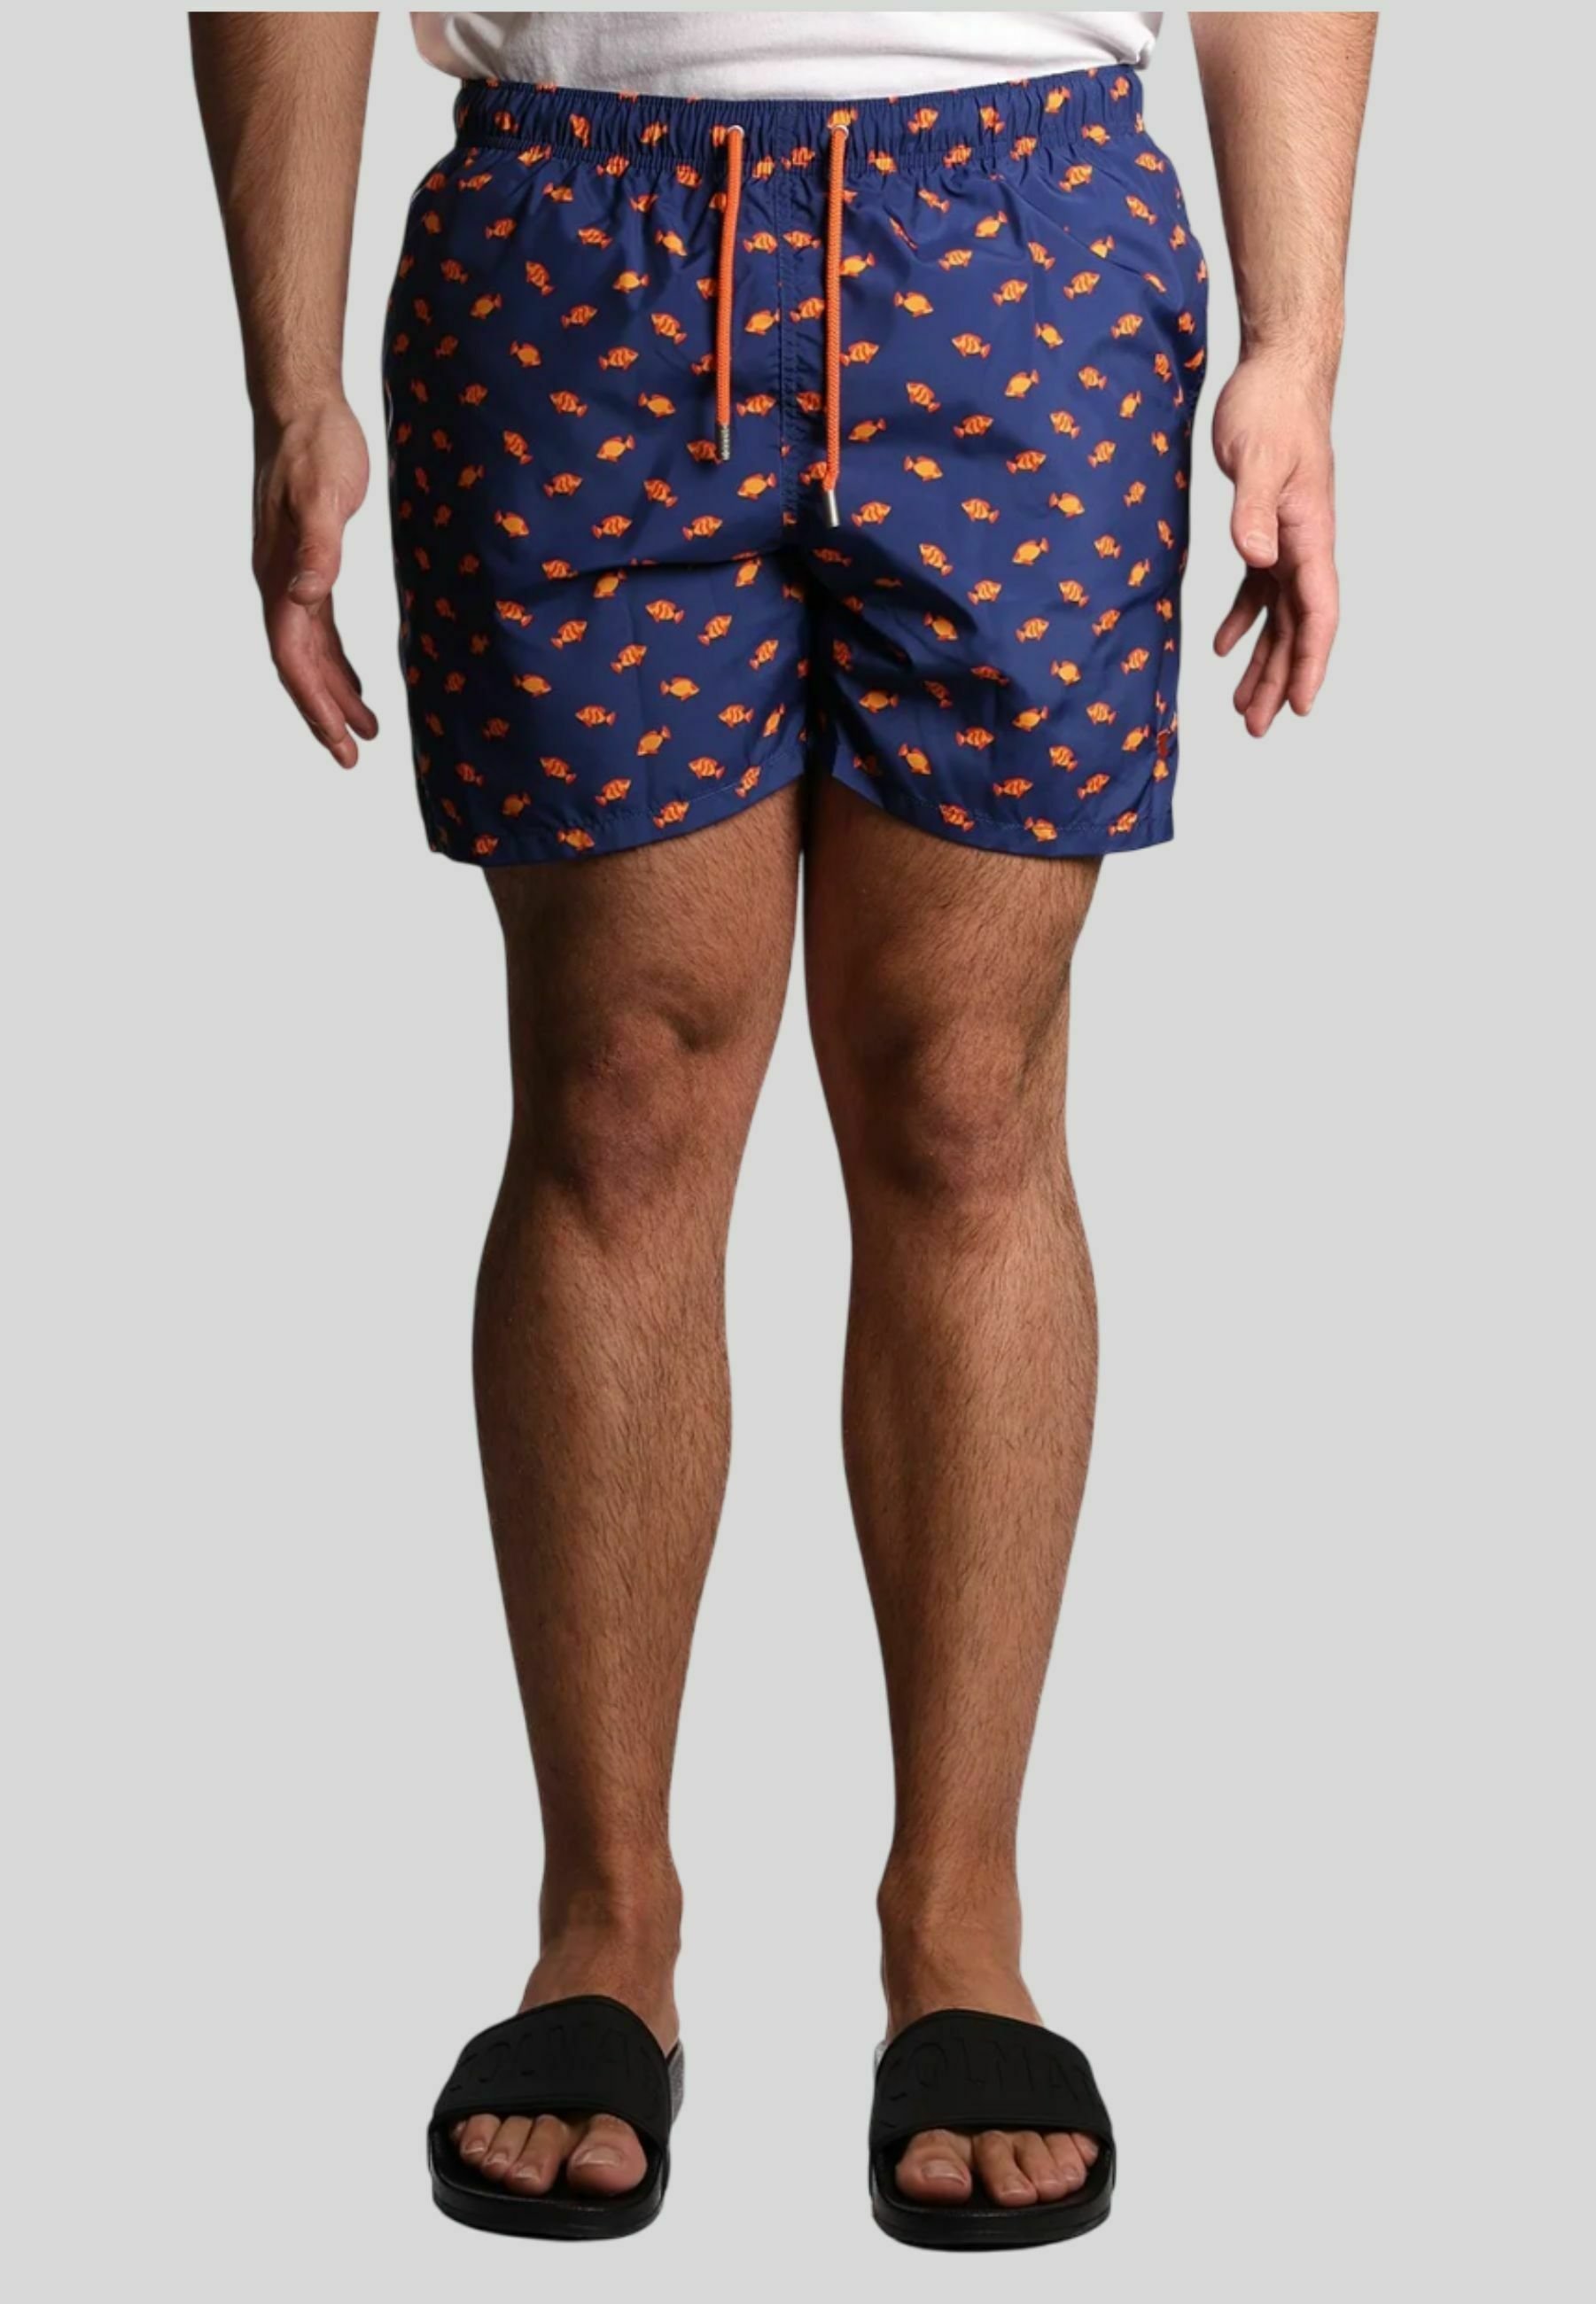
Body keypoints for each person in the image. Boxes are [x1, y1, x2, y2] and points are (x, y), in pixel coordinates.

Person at [193, 7, 1374, 2249]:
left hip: (1020, 231)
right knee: (619, 1098)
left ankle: (960, 1923)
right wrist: (285, 366)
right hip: (577, 239)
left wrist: (1299, 333)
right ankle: (604, 1923)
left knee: (964, 1093)